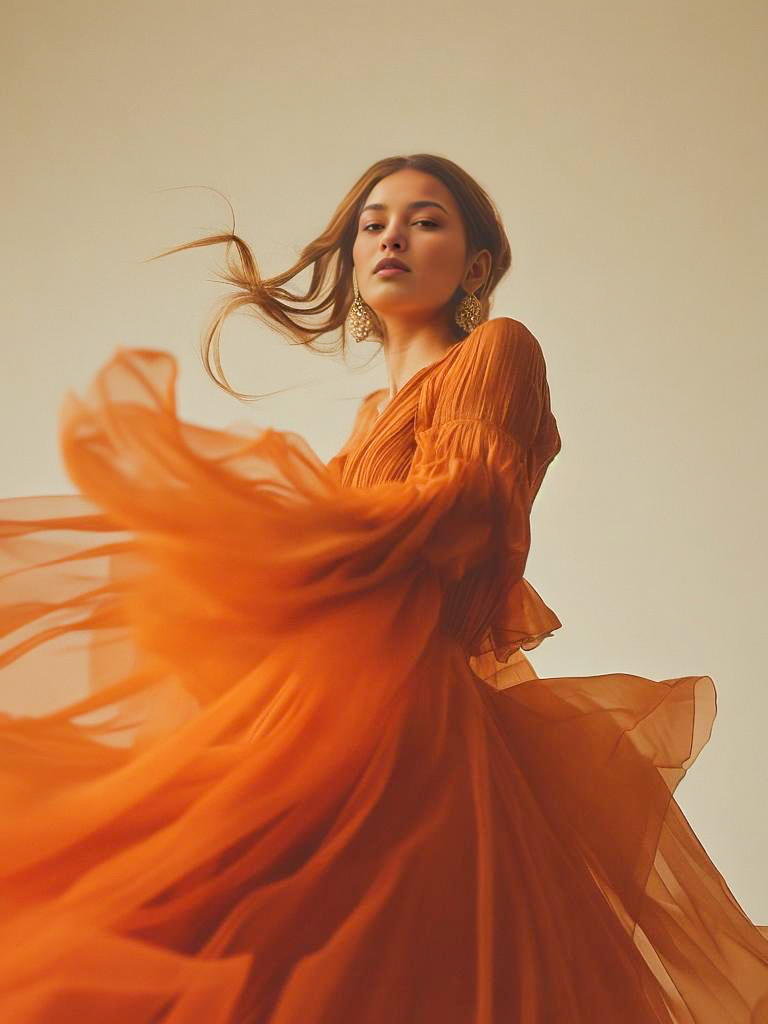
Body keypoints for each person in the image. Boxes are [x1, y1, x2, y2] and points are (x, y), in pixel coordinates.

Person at [0, 153, 766, 1023]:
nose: (392, 236)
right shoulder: (368, 425)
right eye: (372, 224)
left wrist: (280, 535)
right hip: (327, 711)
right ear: (355, 263)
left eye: (426, 219)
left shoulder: (500, 350)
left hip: (406, 726)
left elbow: (467, 508)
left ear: (475, 267)